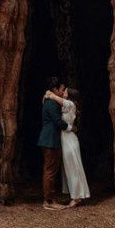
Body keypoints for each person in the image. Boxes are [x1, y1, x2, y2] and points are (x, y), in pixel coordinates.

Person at [44, 87, 90, 208]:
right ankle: (77, 195)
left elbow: (54, 97)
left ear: (69, 96)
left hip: (69, 140)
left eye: (65, 91)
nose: (63, 92)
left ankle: (76, 197)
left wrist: (49, 94)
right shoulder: (68, 104)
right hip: (66, 139)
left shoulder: (70, 103)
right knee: (71, 168)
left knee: (73, 168)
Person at [37, 77, 71, 210]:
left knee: (51, 169)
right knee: (50, 170)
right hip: (50, 139)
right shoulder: (51, 103)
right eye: (62, 89)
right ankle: (48, 201)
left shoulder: (50, 101)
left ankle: (50, 198)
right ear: (55, 90)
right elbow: (57, 122)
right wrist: (70, 128)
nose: (63, 92)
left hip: (50, 139)